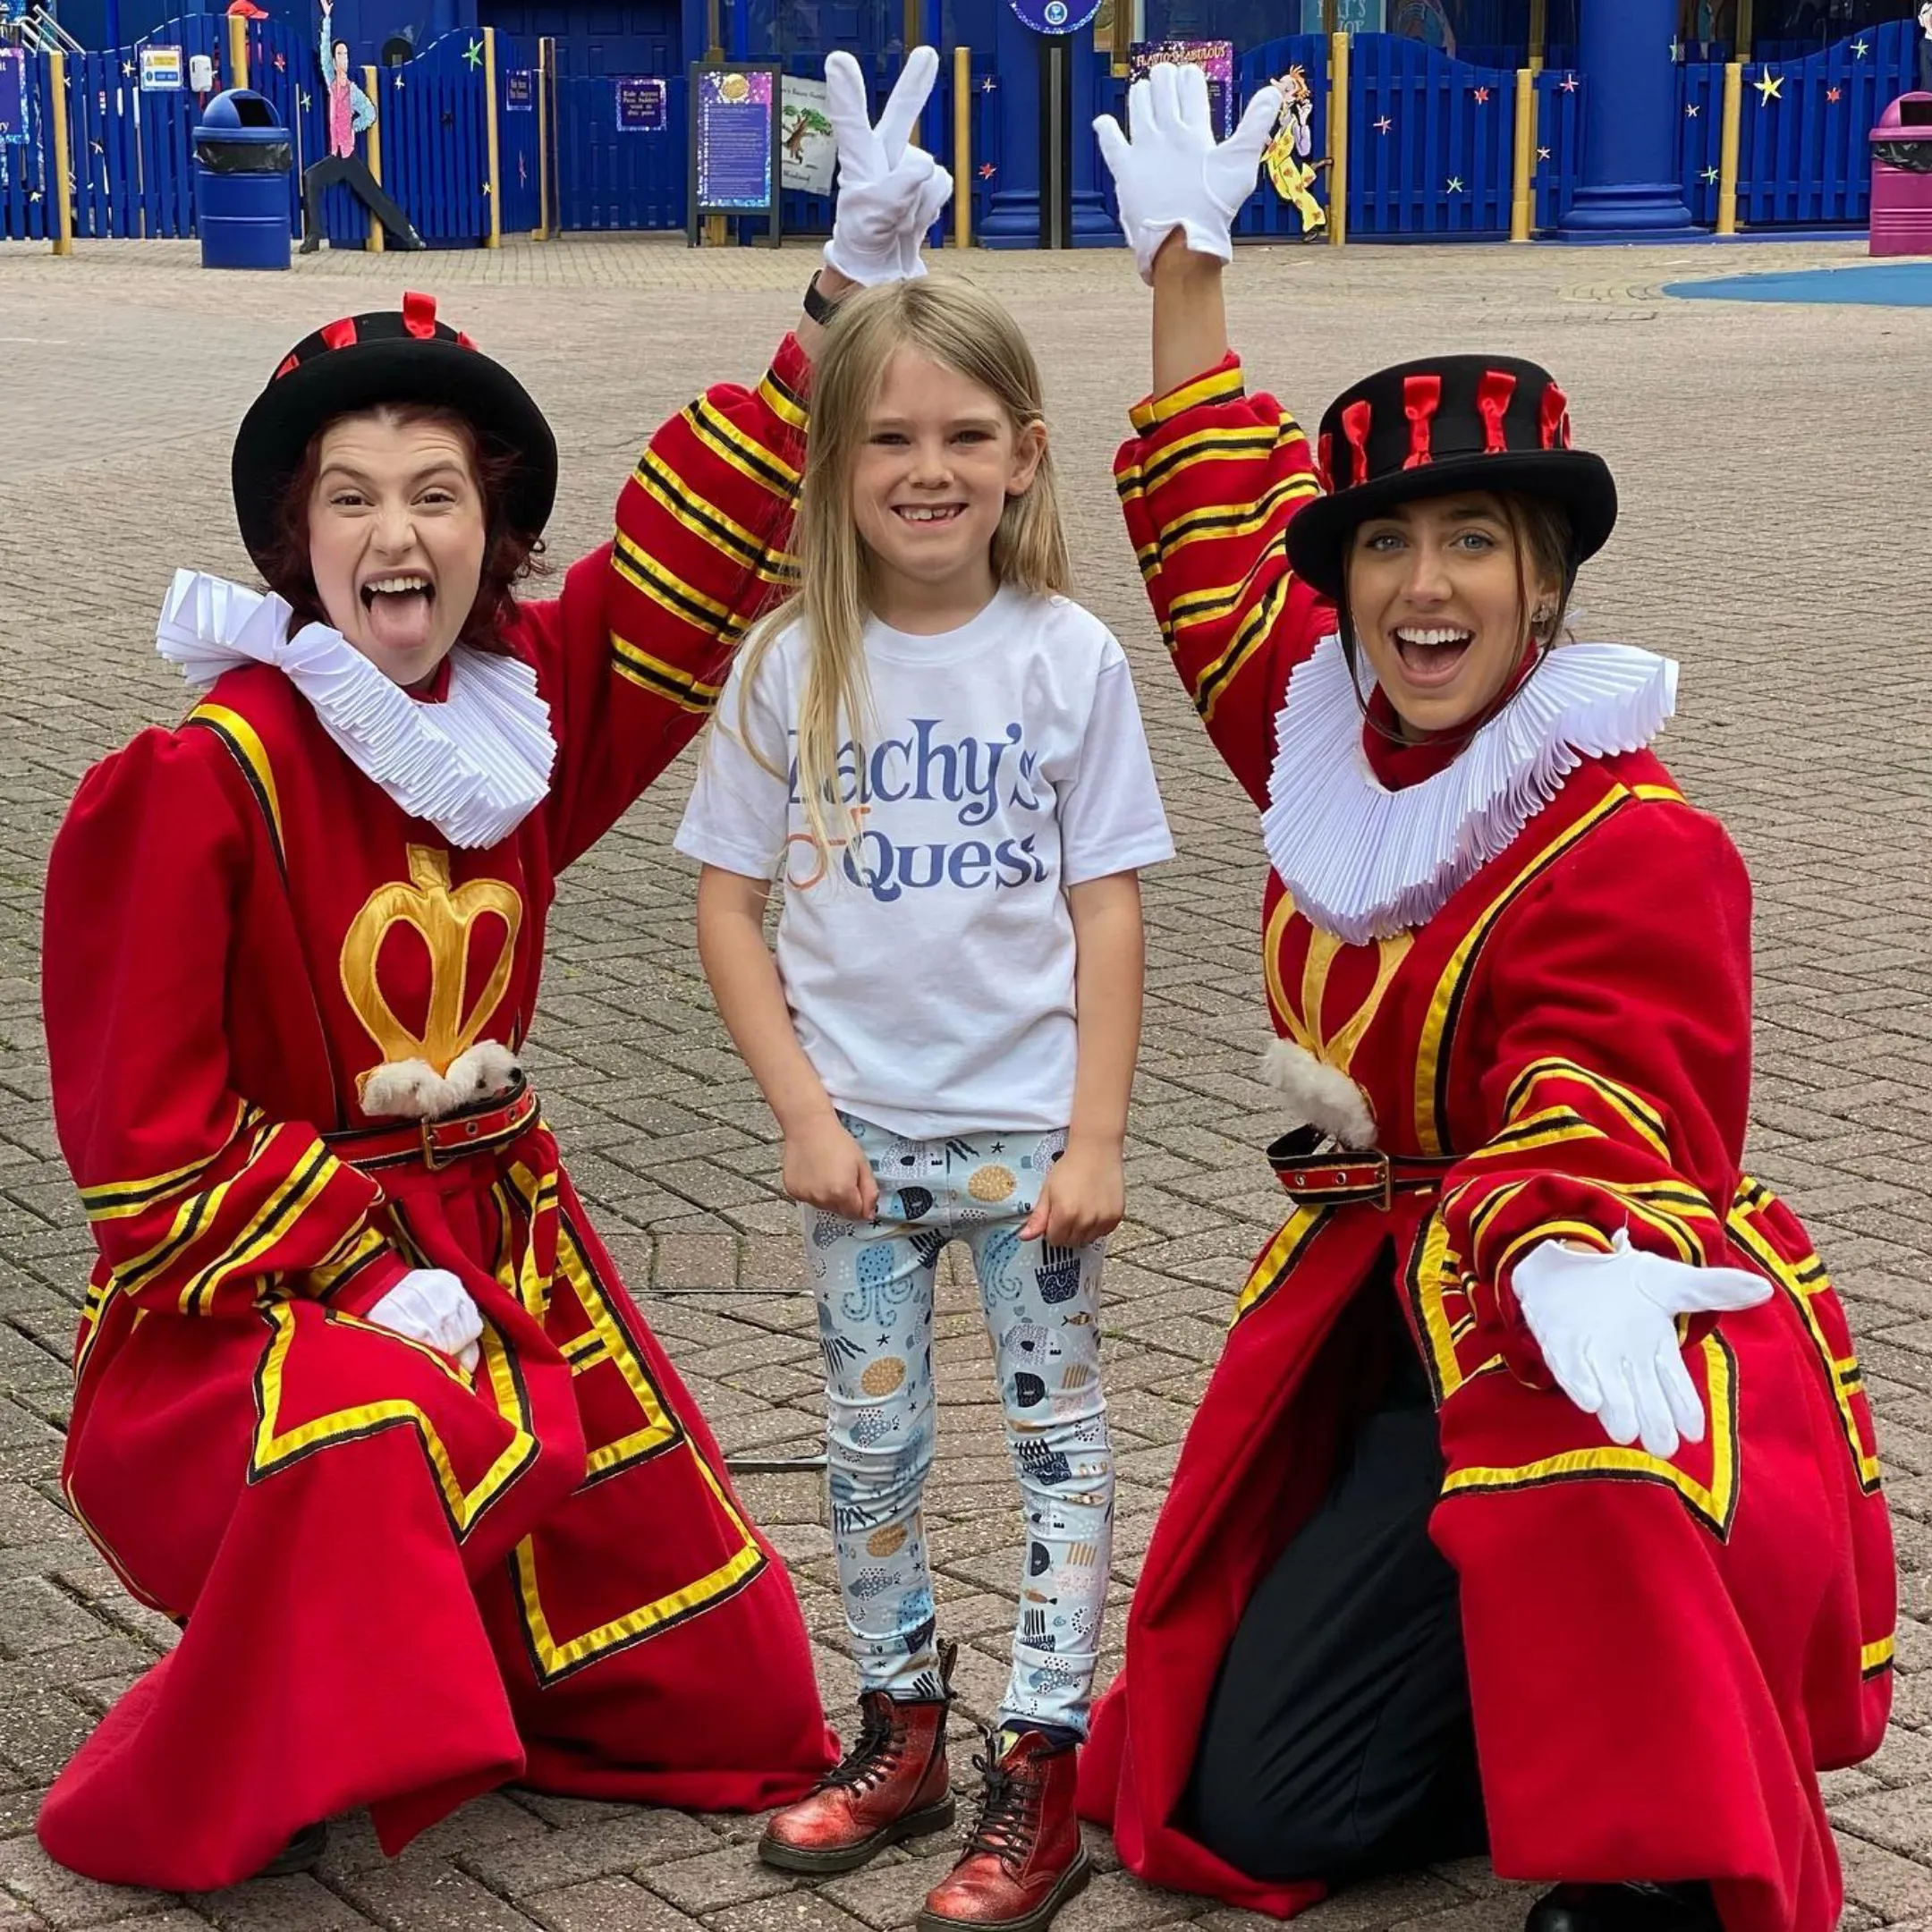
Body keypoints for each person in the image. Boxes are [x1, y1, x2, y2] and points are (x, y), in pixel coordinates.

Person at [35, 51, 953, 1895]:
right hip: (263, 1323)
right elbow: (137, 1152)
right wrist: (363, 1269)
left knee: (738, 1680)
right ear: (295, 539)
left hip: (511, 1259)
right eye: (354, 498)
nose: (398, 538)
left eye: (440, 495)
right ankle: (247, 1749)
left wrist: (836, 305)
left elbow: (686, 566)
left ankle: (438, 1664)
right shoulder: (201, 780)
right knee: (384, 1441)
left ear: (494, 529)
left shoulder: (515, 723)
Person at [1078, 64, 1896, 1932]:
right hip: (1382, 1325)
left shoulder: (1632, 838)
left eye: (1472, 545)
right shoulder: (1340, 750)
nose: (1423, 585)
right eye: (1385, 544)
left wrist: (1555, 1239)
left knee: (1581, 1467)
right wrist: (1187, 276)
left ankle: (1665, 1844)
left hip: (1583, 1314)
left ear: (1545, 589)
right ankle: (1496, 1696)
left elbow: (1616, 1084)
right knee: (1249, 1810)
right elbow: (1219, 551)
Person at [674, 273, 1174, 1932]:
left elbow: (1108, 903)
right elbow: (729, 906)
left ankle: (1044, 1762)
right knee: (871, 1452)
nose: (927, 467)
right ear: (833, 462)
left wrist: (1097, 1135)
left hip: (1031, 1148)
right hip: (859, 1154)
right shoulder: (784, 663)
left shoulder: (1067, 656)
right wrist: (802, 1116)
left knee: (1057, 1450)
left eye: (965, 434)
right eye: (888, 436)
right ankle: (897, 1728)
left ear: (1026, 456)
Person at [299, 0, 424, 254]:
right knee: (312, 178)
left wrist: (351, 128)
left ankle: (410, 236)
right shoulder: (333, 83)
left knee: (375, 196)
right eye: (339, 55)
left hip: (348, 156)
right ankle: (314, 235)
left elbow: (370, 112)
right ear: (333, 61)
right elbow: (324, 52)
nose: (343, 58)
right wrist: (327, 17)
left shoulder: (353, 91)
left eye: (346, 54)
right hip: (336, 156)